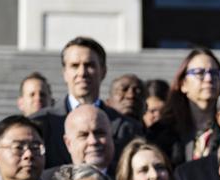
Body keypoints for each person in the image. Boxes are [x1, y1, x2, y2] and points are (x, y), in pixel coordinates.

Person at [31, 37, 141, 169]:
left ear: (103, 71)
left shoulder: (127, 128)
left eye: (89, 65)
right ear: (65, 73)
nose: (82, 73)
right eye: (75, 66)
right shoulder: (39, 123)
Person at [149, 47, 220, 165]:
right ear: (183, 84)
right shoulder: (161, 132)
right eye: (200, 73)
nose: (209, 79)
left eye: (214, 73)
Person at [58, 104, 117, 175]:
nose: (93, 141)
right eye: (84, 135)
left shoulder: (129, 178)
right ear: (68, 144)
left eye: (99, 133)